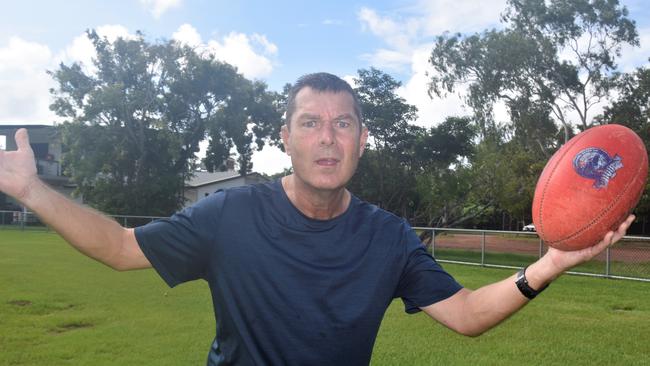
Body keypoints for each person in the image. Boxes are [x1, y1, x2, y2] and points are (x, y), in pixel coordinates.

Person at [0, 72, 633, 365]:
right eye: (311, 123)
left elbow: (465, 316)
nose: (327, 138)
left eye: (343, 124)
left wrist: (549, 264)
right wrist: (32, 191)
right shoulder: (231, 214)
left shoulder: (387, 237)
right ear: (287, 138)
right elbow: (117, 246)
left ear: (362, 139)